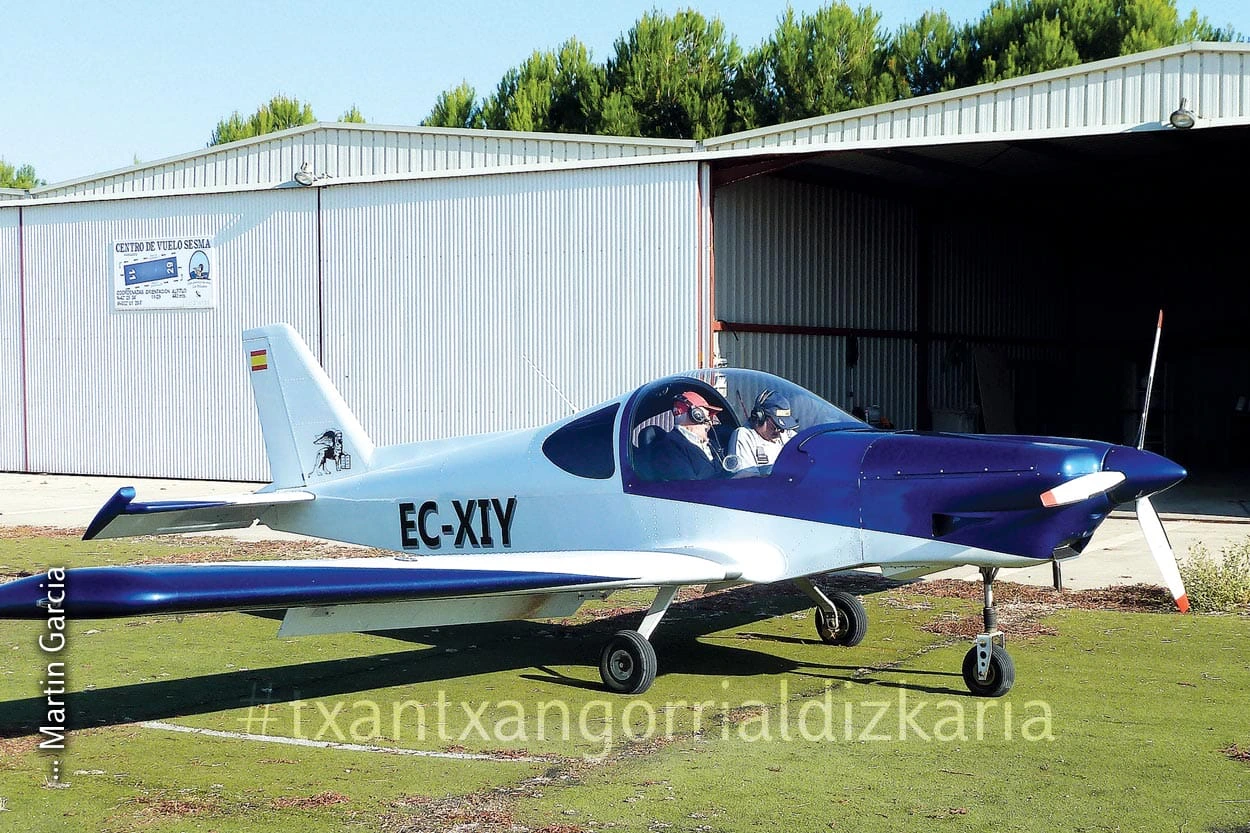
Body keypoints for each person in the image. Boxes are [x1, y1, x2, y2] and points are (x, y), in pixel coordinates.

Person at [651, 391, 725, 481]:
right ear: (695, 415)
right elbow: (688, 487)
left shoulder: (712, 445)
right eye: (706, 416)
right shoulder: (669, 448)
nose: (710, 423)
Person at [728, 389, 798, 473]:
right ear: (759, 418)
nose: (781, 432)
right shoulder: (744, 436)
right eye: (776, 426)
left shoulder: (787, 435)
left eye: (783, 428)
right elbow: (745, 476)